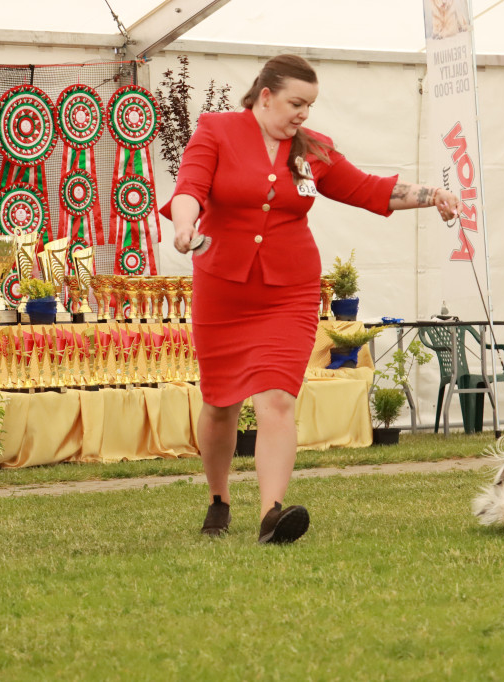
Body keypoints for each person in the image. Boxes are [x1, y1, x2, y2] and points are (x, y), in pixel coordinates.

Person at [160, 54, 460, 545]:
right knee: (220, 404)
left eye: (310, 105)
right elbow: (190, 186)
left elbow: (367, 189)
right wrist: (185, 223)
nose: (304, 113)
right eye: (296, 103)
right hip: (224, 291)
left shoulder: (313, 150)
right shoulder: (216, 130)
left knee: (278, 398)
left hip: (290, 290)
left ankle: (272, 514)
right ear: (265, 96)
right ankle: (218, 499)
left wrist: (432, 194)